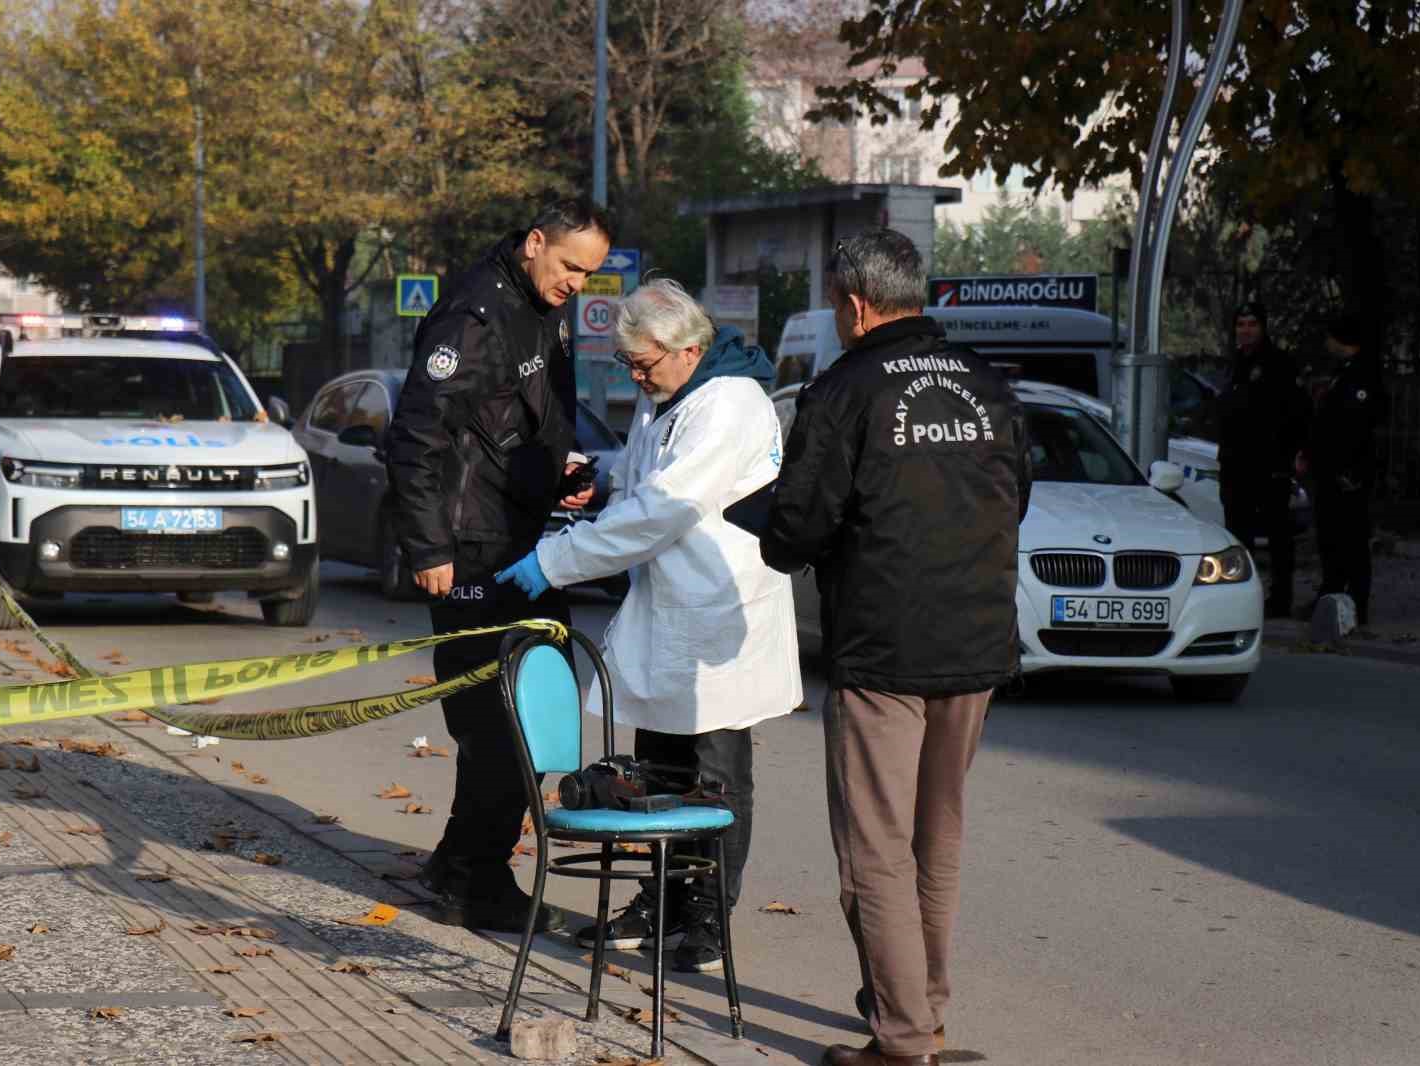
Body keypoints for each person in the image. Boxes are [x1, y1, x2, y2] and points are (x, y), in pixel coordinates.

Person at [758, 229, 1030, 1066]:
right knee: (937, 835)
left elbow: (797, 529)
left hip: (882, 647)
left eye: (838, 306)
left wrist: (774, 531)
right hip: (976, 640)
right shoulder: (987, 385)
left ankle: (903, 1037)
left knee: (874, 847)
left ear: (854, 303)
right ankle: (923, 1011)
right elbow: (1015, 495)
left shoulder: (844, 389)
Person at [495, 279, 799, 973]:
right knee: (658, 771)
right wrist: (601, 479)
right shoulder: (673, 392)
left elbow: (665, 507)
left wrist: (557, 558)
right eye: (629, 365)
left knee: (715, 778)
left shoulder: (729, 405)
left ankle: (707, 918)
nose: (637, 377)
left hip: (720, 619)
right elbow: (643, 478)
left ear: (689, 348)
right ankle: (660, 899)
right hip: (669, 615)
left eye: (645, 364)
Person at [385, 199, 611, 934]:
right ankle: (476, 882)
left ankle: (460, 859)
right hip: (471, 546)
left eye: (590, 273)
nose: (577, 282)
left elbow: (516, 418)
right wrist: (429, 549)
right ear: (535, 243)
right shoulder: (473, 316)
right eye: (570, 266)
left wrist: (560, 471)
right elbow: (417, 435)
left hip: (514, 536)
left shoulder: (533, 303)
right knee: (504, 720)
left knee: (518, 712)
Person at [1216, 301, 1311, 617]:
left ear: (1263, 327)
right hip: (1235, 463)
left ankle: (1280, 597)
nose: (1246, 330)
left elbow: (1297, 412)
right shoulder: (1234, 364)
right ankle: (1242, 596)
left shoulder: (1278, 363)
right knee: (1238, 533)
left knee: (1277, 534)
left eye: (1252, 324)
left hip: (1269, 463)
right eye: (1241, 324)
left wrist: (1293, 454)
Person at [1300, 312, 1387, 626]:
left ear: (1341, 340)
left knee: (1350, 540)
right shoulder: (1345, 373)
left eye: (1330, 337)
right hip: (1333, 473)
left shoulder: (1361, 376)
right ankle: (1332, 597)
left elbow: (1355, 427)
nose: (1326, 343)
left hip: (1347, 476)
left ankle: (1355, 604)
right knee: (1332, 540)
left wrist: (1348, 470)